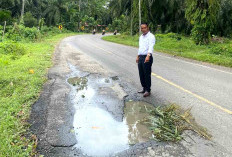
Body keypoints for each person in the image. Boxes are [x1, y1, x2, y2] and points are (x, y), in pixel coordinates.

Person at [136, 23, 156, 97]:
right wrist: (138, 56)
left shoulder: (151, 36)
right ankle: (144, 88)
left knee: (146, 74)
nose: (143, 29)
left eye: (144, 28)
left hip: (147, 57)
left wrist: (148, 56)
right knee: (141, 74)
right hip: (141, 56)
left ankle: (148, 90)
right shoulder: (141, 37)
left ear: (147, 28)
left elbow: (151, 47)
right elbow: (140, 47)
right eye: (142, 28)